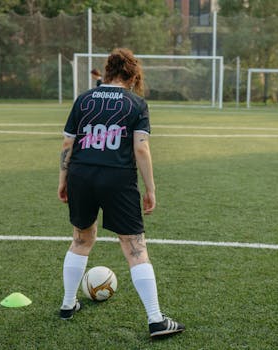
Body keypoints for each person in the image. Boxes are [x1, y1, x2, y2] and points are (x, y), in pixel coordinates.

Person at [57, 48, 185, 339]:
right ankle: (155, 320)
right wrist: (150, 188)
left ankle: (67, 304)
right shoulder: (136, 103)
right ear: (133, 75)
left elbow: (68, 144)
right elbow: (141, 147)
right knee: (134, 246)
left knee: (81, 238)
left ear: (107, 71)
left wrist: (63, 179)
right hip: (117, 179)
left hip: (81, 174)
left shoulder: (84, 98)